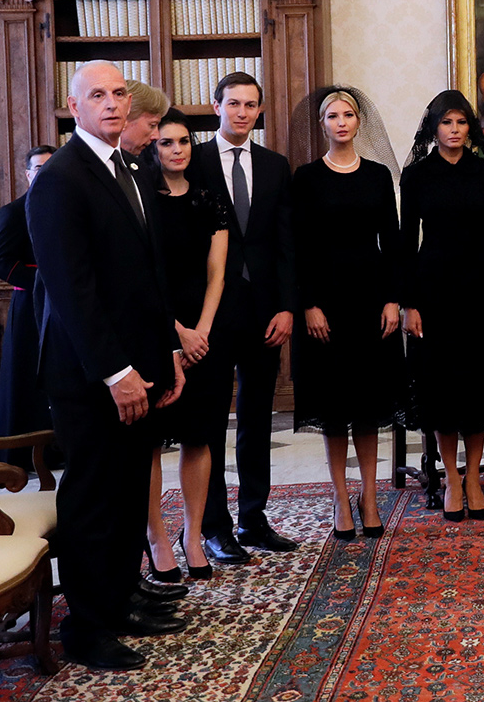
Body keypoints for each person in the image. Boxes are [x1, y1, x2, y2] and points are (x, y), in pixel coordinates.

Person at [26, 61, 187, 671]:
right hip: (91, 375)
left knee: (126, 492)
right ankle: (86, 629)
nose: (113, 103)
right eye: (98, 95)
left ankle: (120, 601)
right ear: (75, 108)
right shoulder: (60, 180)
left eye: (119, 93)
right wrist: (116, 373)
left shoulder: (132, 167)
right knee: (94, 499)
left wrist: (167, 353)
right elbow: (74, 292)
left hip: (141, 363)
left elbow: (150, 275)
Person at [186, 72, 299, 564]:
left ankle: (254, 517)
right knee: (212, 421)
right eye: (233, 104)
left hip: (264, 311)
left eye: (251, 105)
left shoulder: (275, 165)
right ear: (217, 107)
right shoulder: (193, 160)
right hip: (211, 313)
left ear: (259, 110)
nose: (242, 113)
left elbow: (287, 242)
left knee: (257, 419)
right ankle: (214, 527)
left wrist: (287, 306)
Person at [400, 90, 484, 522]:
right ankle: (450, 476)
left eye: (461, 122)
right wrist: (409, 303)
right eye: (446, 122)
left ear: (471, 127)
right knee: (442, 390)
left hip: (481, 292)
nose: (454, 130)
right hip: (433, 292)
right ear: (434, 128)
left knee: (477, 388)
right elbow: (405, 242)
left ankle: (473, 477)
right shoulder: (416, 176)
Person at [290, 87, 403, 539]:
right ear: (322, 124)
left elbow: (392, 240)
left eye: (348, 115)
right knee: (335, 407)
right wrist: (309, 304)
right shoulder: (306, 177)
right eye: (332, 116)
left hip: (370, 299)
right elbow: (299, 246)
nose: (341, 122)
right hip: (325, 302)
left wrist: (393, 299)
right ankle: (340, 496)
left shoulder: (377, 175)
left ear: (359, 122)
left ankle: (369, 496)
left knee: (369, 406)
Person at [144, 109, 231, 581]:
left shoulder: (208, 199)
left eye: (183, 142)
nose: (177, 150)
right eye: (166, 142)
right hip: (159, 330)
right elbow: (142, 276)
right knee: (153, 442)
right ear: (152, 148)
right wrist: (178, 331)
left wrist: (203, 330)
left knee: (200, 436)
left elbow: (217, 273)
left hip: (206, 332)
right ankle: (158, 538)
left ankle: (193, 536)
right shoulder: (142, 200)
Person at [0, 144, 55, 470]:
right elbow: (0, 261)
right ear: (28, 174)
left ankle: (59, 451)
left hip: (67, 305)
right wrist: (49, 279)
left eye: (51, 167)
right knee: (26, 381)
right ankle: (21, 456)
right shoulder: (13, 212)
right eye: (39, 168)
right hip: (30, 305)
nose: (45, 174)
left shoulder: (69, 206)